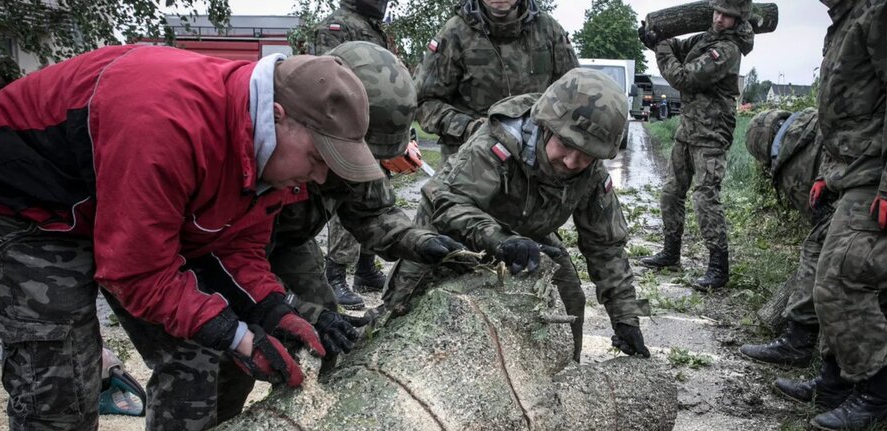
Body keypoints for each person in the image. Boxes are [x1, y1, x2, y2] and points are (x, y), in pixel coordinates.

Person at [0, 45, 375, 431]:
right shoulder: (167, 124)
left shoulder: (266, 154)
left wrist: (273, 310)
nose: (320, 178)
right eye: (319, 158)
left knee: (195, 354)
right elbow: (136, 273)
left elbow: (237, 246)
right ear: (278, 116)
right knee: (62, 380)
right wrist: (237, 335)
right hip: (30, 203)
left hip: (124, 204)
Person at [382, 68, 651, 362]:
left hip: (526, 235)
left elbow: (606, 246)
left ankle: (560, 376)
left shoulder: (591, 175)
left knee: (569, 296)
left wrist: (626, 317)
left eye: (586, 154)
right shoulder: (495, 144)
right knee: (399, 311)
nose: (573, 161)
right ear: (546, 125)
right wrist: (499, 240)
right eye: (566, 144)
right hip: (448, 232)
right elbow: (451, 204)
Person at [774, 0, 887, 431]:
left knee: (843, 278)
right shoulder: (854, 13)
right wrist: (832, 175)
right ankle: (834, 382)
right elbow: (855, 109)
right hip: (861, 170)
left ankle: (878, 396)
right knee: (828, 267)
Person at [268, 41, 465, 355]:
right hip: (227, 255)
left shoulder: (361, 162)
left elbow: (375, 213)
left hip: (291, 244)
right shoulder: (273, 140)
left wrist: (419, 242)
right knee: (218, 360)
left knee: (327, 330)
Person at [739, 107, 887, 368]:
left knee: (821, 246)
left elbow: (823, 224)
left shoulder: (794, 160)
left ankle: (798, 340)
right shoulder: (815, 119)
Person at [638, 0, 754, 290]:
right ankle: (670, 252)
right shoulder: (706, 38)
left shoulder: (727, 49)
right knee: (672, 190)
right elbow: (677, 49)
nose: (718, 19)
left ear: (738, 20)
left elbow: (685, 78)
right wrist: (657, 41)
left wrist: (660, 49)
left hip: (712, 132)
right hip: (688, 128)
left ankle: (718, 268)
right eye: (716, 12)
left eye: (726, 16)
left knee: (705, 197)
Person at [308, 0, 398, 309]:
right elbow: (325, 80)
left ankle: (365, 270)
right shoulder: (337, 26)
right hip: (348, 132)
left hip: (372, 130)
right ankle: (335, 275)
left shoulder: (371, 26)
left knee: (377, 197)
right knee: (349, 198)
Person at [413, 0, 578, 164]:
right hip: (469, 162)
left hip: (535, 164)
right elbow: (424, 102)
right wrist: (470, 128)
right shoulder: (455, 33)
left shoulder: (548, 30)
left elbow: (573, 96)